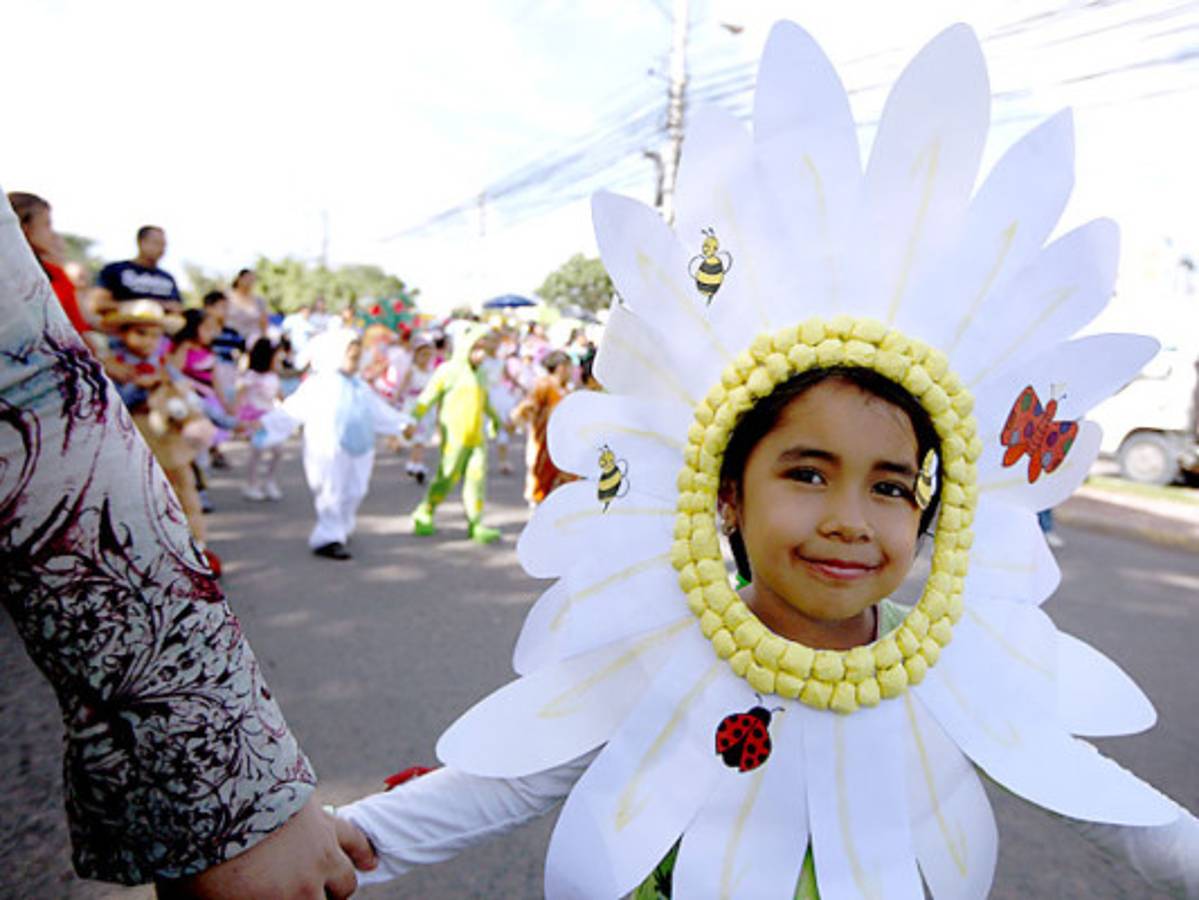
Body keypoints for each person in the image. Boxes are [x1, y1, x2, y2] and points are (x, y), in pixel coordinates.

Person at [331, 22, 1199, 898]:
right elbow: (504, 778)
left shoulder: (956, 675)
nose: (849, 521)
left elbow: (1122, 816)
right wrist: (328, 844)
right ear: (727, 494)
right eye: (806, 473)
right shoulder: (658, 650)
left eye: (890, 487)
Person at [0, 192, 375, 896]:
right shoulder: (99, 291)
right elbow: (33, 396)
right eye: (41, 228)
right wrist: (235, 792)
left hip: (146, 442)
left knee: (183, 491)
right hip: (118, 441)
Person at [257, 329, 410, 560]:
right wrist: (264, 425)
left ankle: (342, 526)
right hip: (328, 447)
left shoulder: (359, 385)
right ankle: (328, 537)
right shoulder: (319, 383)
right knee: (331, 490)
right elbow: (293, 409)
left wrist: (402, 424)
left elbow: (378, 410)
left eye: (358, 357)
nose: (355, 361)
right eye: (351, 356)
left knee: (357, 489)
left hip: (360, 446)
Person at [101, 300, 219, 574]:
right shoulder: (115, 366)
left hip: (170, 441)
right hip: (135, 439)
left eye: (155, 335)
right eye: (141, 333)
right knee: (141, 497)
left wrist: (220, 418)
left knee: (185, 491)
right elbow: (113, 403)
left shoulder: (164, 364)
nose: (149, 341)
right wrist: (140, 388)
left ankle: (196, 545)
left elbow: (188, 396)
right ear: (124, 333)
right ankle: (146, 554)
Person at [407, 323, 503, 544]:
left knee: (476, 480)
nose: (481, 354)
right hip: (454, 438)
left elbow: (485, 401)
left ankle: (476, 522)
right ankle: (425, 510)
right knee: (448, 476)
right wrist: (410, 421)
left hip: (476, 438)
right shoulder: (448, 371)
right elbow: (427, 398)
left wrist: (496, 420)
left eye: (484, 349)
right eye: (476, 348)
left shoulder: (481, 374)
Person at [8, 191, 92, 338]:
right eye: (47, 225)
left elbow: (79, 323)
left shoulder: (53, 271)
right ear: (23, 227)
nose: (53, 234)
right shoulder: (12, 280)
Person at [511, 349, 573, 505]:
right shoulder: (544, 385)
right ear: (561, 367)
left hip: (563, 446)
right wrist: (516, 420)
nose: (572, 371)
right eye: (569, 367)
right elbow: (528, 406)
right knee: (540, 484)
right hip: (543, 444)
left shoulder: (566, 389)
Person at [91, 225, 182, 321]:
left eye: (163, 245)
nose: (161, 249)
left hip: (160, 328)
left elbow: (177, 308)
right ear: (141, 242)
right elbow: (98, 304)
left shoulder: (168, 278)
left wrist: (163, 307)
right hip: (122, 326)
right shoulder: (115, 270)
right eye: (156, 243)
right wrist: (140, 306)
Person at [237, 337, 285, 501]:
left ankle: (270, 481)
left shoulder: (274, 376)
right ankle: (252, 484)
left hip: (271, 417)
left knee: (278, 450)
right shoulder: (251, 376)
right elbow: (241, 395)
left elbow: (279, 395)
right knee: (256, 451)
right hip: (255, 418)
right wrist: (240, 416)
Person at [226, 268, 270, 346]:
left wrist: (265, 338)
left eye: (252, 280)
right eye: (247, 278)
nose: (249, 282)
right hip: (230, 339)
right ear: (239, 279)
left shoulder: (259, 300)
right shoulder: (226, 298)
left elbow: (264, 322)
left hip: (253, 341)